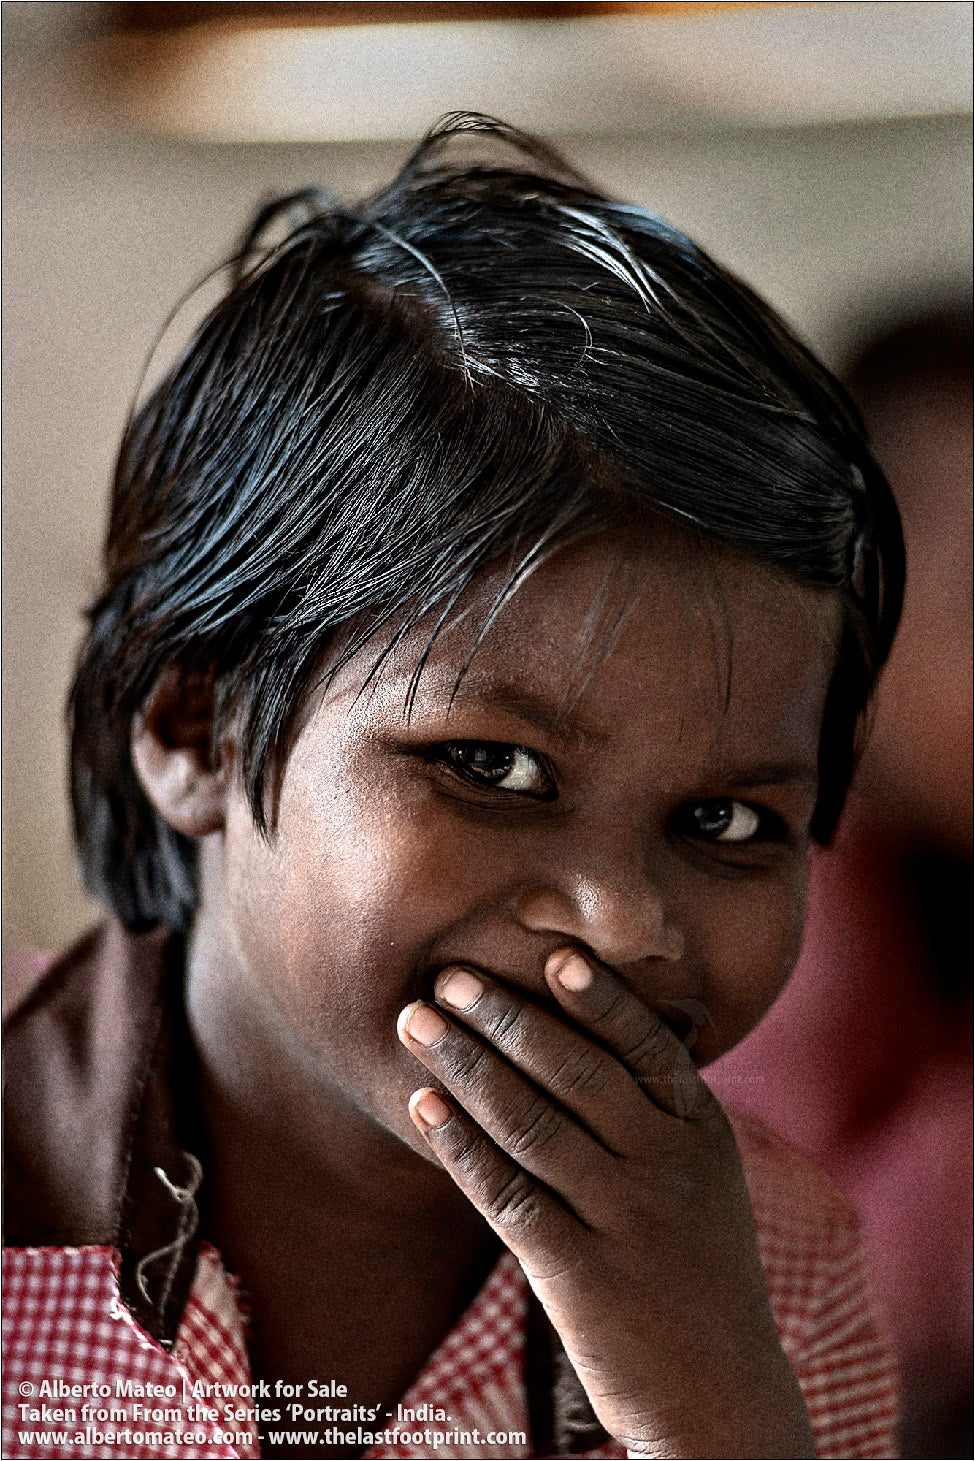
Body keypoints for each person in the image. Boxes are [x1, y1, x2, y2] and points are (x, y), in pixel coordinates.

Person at [3, 114, 903, 1461]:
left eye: (723, 819)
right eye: (493, 768)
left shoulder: (771, 1279)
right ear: (193, 727)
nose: (618, 923)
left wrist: (709, 1408)